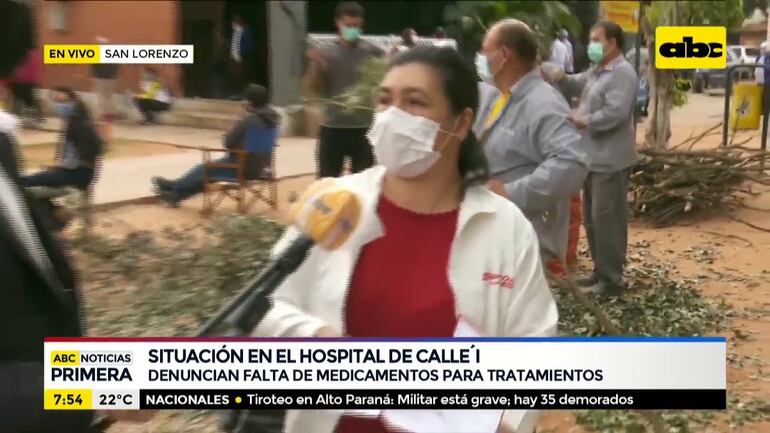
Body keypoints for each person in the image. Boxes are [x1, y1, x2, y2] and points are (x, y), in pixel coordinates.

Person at [255, 46, 556, 433]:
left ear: (461, 123)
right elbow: (266, 307)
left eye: (414, 102)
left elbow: (533, 341)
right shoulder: (334, 203)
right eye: (384, 101)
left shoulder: (505, 227)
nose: (392, 117)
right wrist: (319, 340)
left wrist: (505, 421)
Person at [474, 19, 589, 278]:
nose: (480, 57)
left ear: (504, 55)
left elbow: (571, 163)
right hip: (491, 235)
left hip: (521, 244)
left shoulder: (543, 103)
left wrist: (510, 193)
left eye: (485, 50)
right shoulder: (497, 96)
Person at [558, 21, 638, 295]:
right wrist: (559, 76)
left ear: (612, 43)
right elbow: (578, 82)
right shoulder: (598, 71)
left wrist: (583, 121)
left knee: (608, 220)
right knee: (593, 220)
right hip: (592, 158)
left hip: (611, 160)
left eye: (596, 40)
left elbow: (616, 113)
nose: (591, 45)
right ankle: (600, 271)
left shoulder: (622, 73)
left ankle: (612, 279)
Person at [151, 84, 279, 207]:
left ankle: (174, 186)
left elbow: (228, 143)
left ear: (250, 102)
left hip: (242, 166)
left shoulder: (249, 119)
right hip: (261, 167)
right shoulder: (274, 120)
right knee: (208, 174)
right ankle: (175, 196)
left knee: (204, 169)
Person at [306, 1, 384, 178]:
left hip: (364, 128)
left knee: (364, 182)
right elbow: (315, 89)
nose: (352, 30)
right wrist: (317, 67)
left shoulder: (373, 52)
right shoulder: (325, 53)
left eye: (356, 26)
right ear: (338, 23)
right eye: (348, 25)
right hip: (333, 126)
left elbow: (383, 85)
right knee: (328, 181)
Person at [23, 87, 103, 191]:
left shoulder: (79, 125)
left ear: (74, 102)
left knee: (24, 181)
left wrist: (58, 166)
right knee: (31, 179)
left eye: (64, 101)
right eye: (56, 101)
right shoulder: (74, 122)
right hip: (76, 172)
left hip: (77, 173)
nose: (60, 105)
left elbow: (76, 161)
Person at [8, 47, 43, 126]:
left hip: (28, 81)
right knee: (19, 98)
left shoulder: (32, 54)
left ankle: (36, 118)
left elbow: (33, 67)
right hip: (19, 80)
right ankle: (17, 117)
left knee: (28, 98)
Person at [91, 36, 119, 121]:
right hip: (110, 78)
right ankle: (109, 114)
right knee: (108, 97)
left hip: (102, 78)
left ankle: (106, 115)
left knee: (103, 97)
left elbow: (94, 66)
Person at [230, 15, 256, 97]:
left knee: (246, 77)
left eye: (236, 20)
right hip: (240, 58)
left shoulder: (245, 31)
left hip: (245, 58)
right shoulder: (238, 32)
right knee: (239, 77)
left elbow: (248, 46)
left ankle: (247, 94)